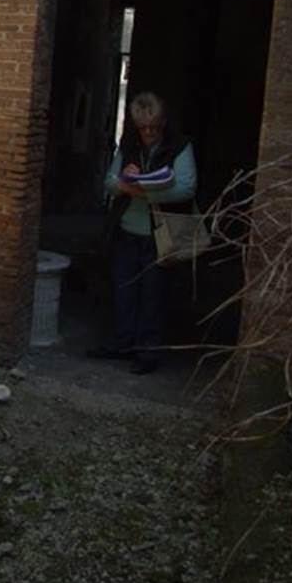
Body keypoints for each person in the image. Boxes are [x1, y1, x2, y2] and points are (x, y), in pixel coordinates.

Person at [89, 91, 197, 374]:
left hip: (159, 235)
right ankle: (120, 344)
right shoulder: (129, 144)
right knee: (123, 290)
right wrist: (125, 183)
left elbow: (187, 187)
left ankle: (147, 352)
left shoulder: (179, 146)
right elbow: (109, 181)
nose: (149, 133)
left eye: (154, 126)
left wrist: (147, 193)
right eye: (143, 128)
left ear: (163, 122)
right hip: (127, 230)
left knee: (153, 295)